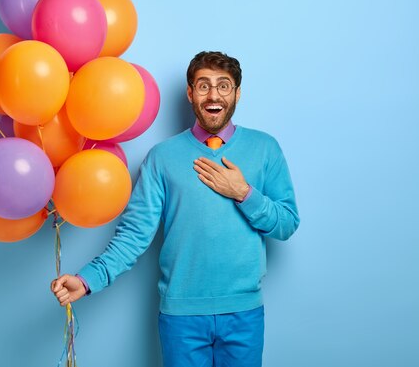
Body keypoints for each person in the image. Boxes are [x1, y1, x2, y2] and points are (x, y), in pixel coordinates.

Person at [51, 51, 300, 367]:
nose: (213, 95)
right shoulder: (161, 158)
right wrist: (87, 280)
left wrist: (244, 193)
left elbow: (287, 223)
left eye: (224, 86)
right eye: (203, 85)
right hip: (181, 317)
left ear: (237, 93)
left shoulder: (266, 149)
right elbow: (133, 236)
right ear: (190, 93)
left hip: (243, 313)